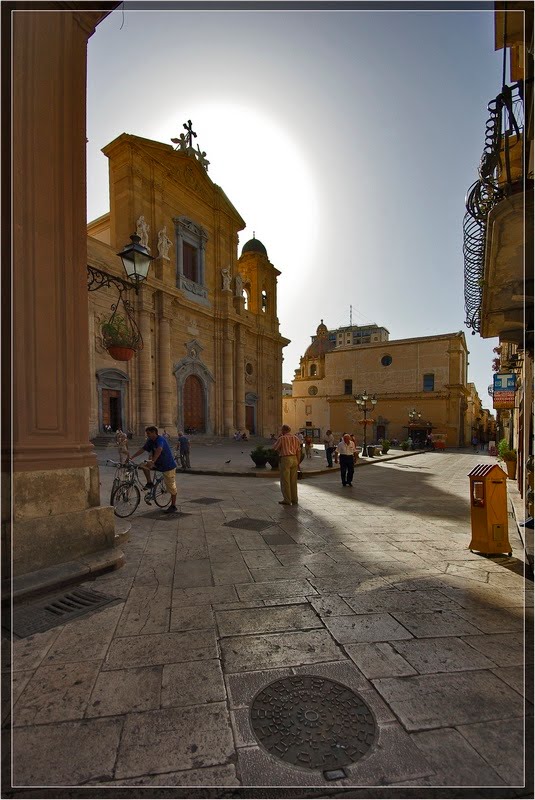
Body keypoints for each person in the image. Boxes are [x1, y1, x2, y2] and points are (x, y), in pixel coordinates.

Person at [130, 426, 178, 513]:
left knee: (171, 487)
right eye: (147, 433)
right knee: (143, 465)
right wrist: (132, 457)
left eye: (148, 433)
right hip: (158, 464)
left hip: (168, 465)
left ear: (154, 432)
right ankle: (150, 482)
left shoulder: (160, 439)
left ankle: (173, 505)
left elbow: (159, 449)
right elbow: (143, 449)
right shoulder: (150, 441)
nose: (147, 435)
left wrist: (153, 461)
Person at [272, 424, 302, 506]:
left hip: (285, 459)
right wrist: (298, 462)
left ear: (284, 430)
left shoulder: (282, 438)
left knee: (285, 480)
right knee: (293, 481)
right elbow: (298, 451)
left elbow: (274, 448)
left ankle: (287, 499)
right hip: (294, 458)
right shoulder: (296, 438)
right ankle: (294, 499)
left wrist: (278, 438)